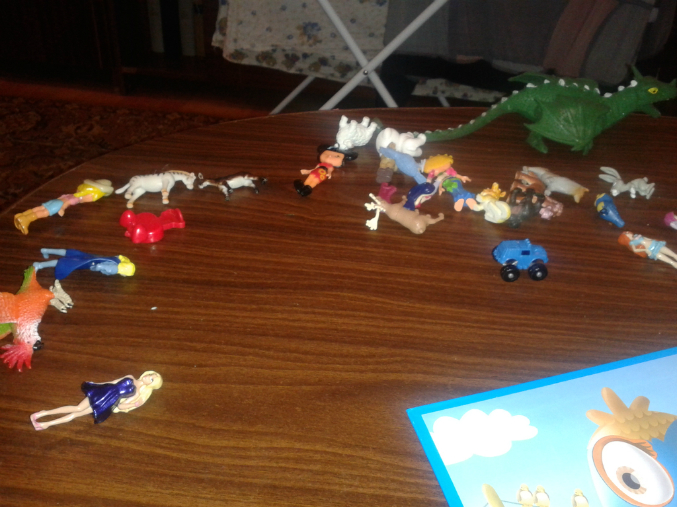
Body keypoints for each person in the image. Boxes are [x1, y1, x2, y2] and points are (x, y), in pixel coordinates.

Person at [30, 371, 162, 430]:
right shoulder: (130, 377)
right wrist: (96, 384)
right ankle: (44, 413)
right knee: (78, 408)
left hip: (109, 401)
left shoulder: (137, 393)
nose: (149, 377)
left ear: (151, 385)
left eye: (152, 379)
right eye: (151, 375)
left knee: (76, 414)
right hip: (103, 392)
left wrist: (135, 404)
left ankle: (48, 424)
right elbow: (112, 382)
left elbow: (121, 406)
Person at [14, 179, 114, 234]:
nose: (91, 200)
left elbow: (63, 197)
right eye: (92, 197)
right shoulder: (76, 198)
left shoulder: (72, 194)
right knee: (44, 212)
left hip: (55, 201)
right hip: (59, 205)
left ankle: (22, 215)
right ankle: (26, 220)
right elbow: (67, 202)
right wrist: (61, 208)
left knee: (41, 207)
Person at [33, 248, 135, 279]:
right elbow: (100, 266)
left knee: (69, 253)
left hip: (91, 256)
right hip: (89, 262)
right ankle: (40, 265)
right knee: (64, 263)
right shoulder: (115, 269)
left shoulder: (119, 260)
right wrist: (95, 268)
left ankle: (46, 250)